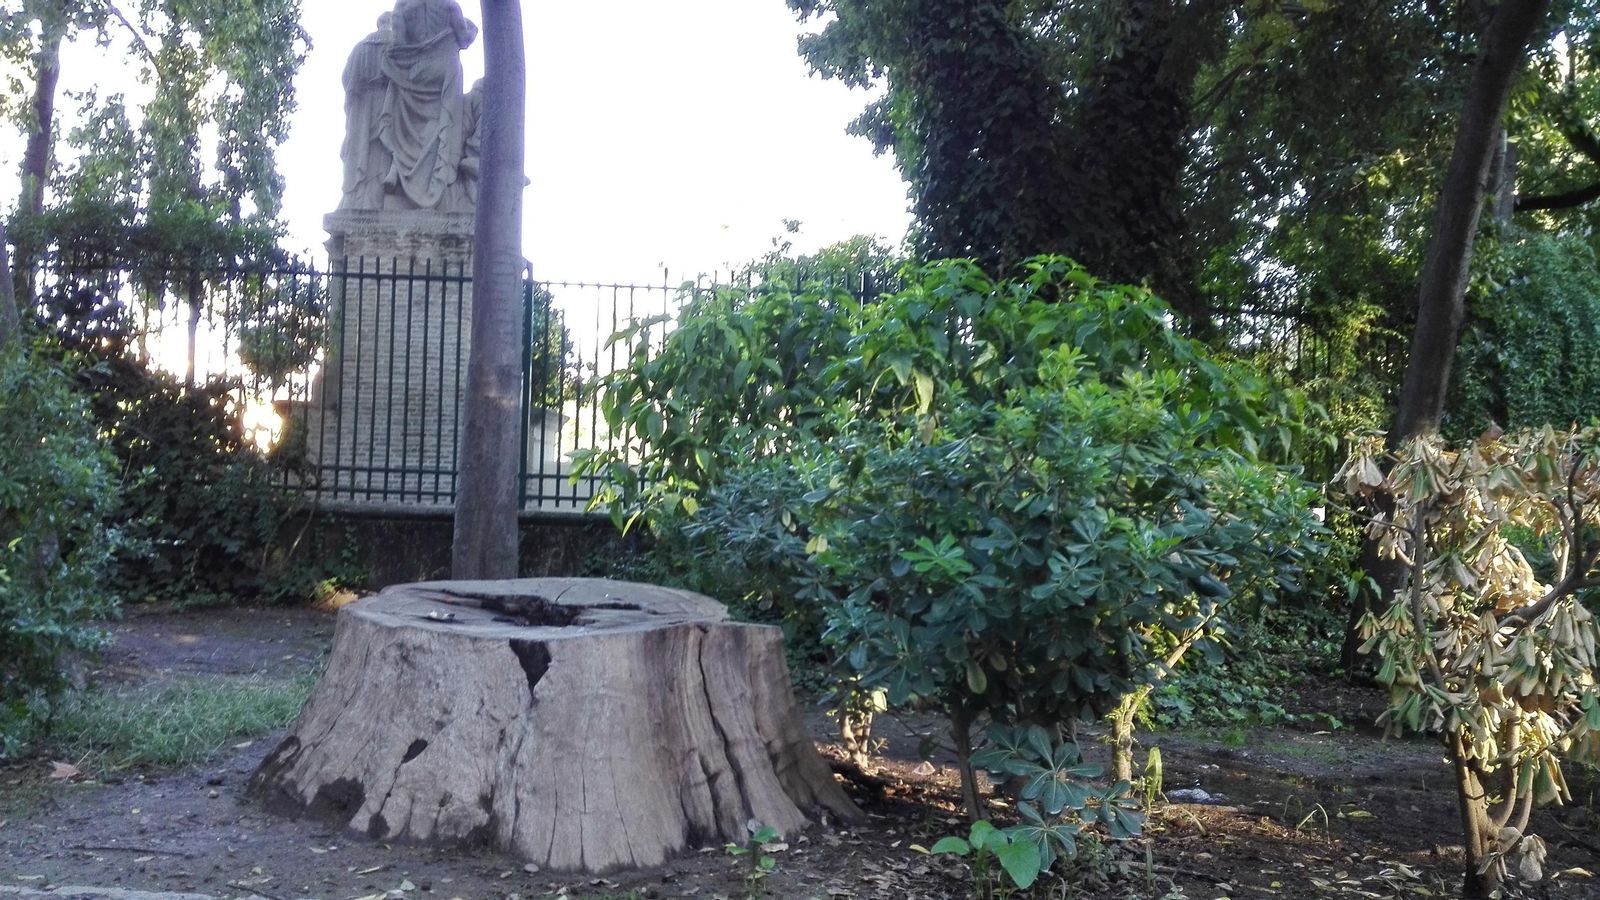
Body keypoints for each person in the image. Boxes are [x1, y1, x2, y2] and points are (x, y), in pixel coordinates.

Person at [376, 0, 479, 212]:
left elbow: (399, 44)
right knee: (443, 124)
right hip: (444, 70)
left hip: (414, 72)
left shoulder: (402, 6)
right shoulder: (449, 5)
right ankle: (436, 182)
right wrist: (472, 29)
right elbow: (464, 39)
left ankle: (397, 166)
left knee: (402, 116)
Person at [337, 13, 393, 210]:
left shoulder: (360, 48)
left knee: (360, 148)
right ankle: (376, 198)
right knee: (382, 146)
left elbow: (346, 78)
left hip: (361, 105)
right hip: (387, 101)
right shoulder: (397, 44)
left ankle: (358, 196)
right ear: (392, 23)